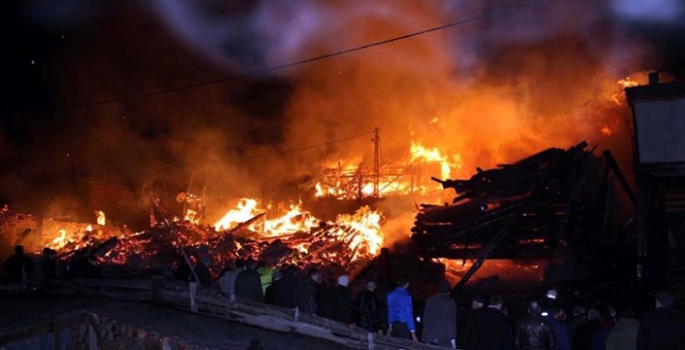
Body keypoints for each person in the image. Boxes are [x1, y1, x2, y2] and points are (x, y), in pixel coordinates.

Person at [421, 280, 457, 348]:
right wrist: (452, 339)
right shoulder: (449, 303)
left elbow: (425, 318)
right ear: (448, 292)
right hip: (442, 339)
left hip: (427, 338)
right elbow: (450, 322)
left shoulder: (430, 300)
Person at [386, 277, 418, 341]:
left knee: (396, 345)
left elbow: (390, 311)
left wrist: (390, 325)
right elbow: (408, 314)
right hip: (404, 325)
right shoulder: (406, 297)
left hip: (395, 324)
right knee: (404, 345)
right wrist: (413, 331)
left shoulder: (390, 295)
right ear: (407, 284)